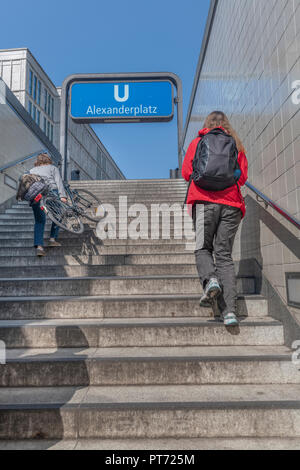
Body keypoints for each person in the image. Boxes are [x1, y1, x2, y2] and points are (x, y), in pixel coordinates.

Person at [182, 111, 248, 326]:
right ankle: (229, 312)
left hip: (202, 203)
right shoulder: (236, 145)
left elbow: (186, 173)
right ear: (226, 125)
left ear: (207, 124)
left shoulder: (197, 142)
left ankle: (210, 279)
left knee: (203, 248)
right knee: (224, 255)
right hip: (231, 205)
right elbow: (243, 176)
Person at [29, 153, 67, 256]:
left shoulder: (31, 170)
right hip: (51, 193)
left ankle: (39, 247)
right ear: (48, 160)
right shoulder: (52, 168)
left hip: (36, 196)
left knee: (39, 221)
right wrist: (63, 196)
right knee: (58, 214)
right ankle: (52, 239)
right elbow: (59, 182)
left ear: (38, 161)